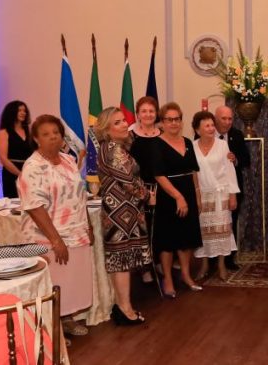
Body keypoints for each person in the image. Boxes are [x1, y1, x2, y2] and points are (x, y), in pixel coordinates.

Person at [17, 114, 93, 336]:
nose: (53, 137)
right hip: (48, 237)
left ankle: (66, 319)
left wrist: (88, 225)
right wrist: (55, 239)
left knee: (70, 283)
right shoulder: (33, 166)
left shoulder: (69, 160)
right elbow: (33, 206)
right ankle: (51, 330)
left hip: (76, 232)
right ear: (36, 139)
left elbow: (80, 194)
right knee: (53, 283)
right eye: (46, 134)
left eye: (56, 133)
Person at [94, 107, 154, 325]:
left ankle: (123, 306)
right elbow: (129, 181)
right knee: (121, 262)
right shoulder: (111, 148)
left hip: (124, 212)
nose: (123, 125)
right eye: (117, 122)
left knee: (123, 261)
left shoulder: (113, 147)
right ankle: (124, 309)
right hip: (120, 214)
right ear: (107, 130)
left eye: (123, 121)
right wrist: (147, 195)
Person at [152, 102, 203, 297]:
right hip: (168, 195)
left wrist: (197, 196)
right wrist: (178, 197)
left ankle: (186, 276)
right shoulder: (156, 144)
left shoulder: (188, 142)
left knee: (187, 238)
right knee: (168, 241)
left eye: (177, 119)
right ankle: (168, 279)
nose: (174, 123)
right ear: (162, 122)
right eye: (169, 119)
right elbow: (158, 175)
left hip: (188, 192)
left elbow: (193, 171)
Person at [191, 111, 240, 281]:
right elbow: (192, 173)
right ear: (198, 130)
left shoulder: (222, 145)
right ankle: (204, 264)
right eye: (207, 126)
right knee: (204, 231)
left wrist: (232, 195)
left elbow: (229, 170)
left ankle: (221, 265)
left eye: (212, 125)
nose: (211, 128)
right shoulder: (192, 146)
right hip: (202, 195)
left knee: (222, 230)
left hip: (221, 194)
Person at [129, 96, 161, 284]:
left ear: (156, 114)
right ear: (138, 114)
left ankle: (157, 262)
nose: (148, 114)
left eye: (151, 111)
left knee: (158, 229)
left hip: (160, 188)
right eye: (144, 111)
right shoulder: (129, 135)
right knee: (142, 230)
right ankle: (144, 269)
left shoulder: (162, 133)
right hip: (138, 190)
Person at [214, 105, 250, 271]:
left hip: (232, 188)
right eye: (224, 118)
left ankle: (229, 258)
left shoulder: (237, 135)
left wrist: (235, 160)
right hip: (212, 187)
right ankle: (212, 259)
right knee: (212, 223)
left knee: (231, 222)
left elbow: (246, 160)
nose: (227, 122)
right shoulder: (206, 134)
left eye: (230, 119)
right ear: (215, 118)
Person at [0, 100, 33, 198]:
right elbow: (3, 159)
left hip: (29, 171)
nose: (23, 113)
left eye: (24, 111)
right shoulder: (4, 131)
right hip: (11, 173)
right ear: (12, 112)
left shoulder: (28, 130)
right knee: (13, 204)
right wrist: (20, 174)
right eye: (19, 110)